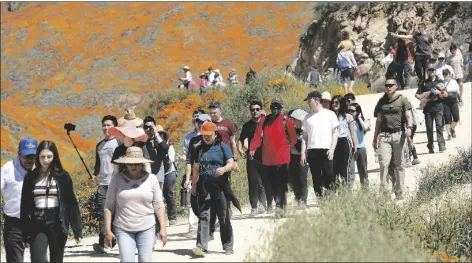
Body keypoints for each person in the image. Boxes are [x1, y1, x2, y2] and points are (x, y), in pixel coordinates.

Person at [21, 140, 82, 263]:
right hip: (37, 222)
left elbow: (71, 203)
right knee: (37, 259)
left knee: (56, 259)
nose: (46, 160)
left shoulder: (63, 176)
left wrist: (77, 229)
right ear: (37, 157)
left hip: (57, 222)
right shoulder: (30, 177)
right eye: (42, 156)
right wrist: (25, 231)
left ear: (55, 156)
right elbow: (25, 205)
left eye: (49, 156)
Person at [104, 147, 167, 262]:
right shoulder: (117, 179)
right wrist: (107, 230)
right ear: (125, 164)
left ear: (142, 164)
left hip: (147, 226)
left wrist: (163, 228)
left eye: (137, 164)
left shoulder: (152, 179)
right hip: (123, 227)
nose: (134, 166)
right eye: (131, 164)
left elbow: (158, 205)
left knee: (145, 260)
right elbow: (109, 205)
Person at [191, 122, 235, 257]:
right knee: (204, 215)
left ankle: (227, 245)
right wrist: (193, 185)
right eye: (204, 135)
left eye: (209, 135)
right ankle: (201, 247)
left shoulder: (222, 147)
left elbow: (231, 163)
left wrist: (224, 169)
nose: (206, 137)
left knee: (223, 215)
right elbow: (196, 168)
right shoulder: (198, 148)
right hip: (204, 185)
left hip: (220, 186)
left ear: (215, 134)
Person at [250, 98, 297, 217]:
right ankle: (279, 205)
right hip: (268, 159)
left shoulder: (287, 121)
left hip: (282, 158)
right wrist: (252, 148)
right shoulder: (264, 120)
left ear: (281, 108)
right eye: (273, 106)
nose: (275, 108)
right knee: (271, 184)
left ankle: (281, 208)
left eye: (277, 106)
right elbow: (257, 136)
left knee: (281, 184)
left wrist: (285, 149)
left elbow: (293, 139)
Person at [373, 78, 413, 200]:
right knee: (384, 163)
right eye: (387, 85)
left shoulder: (402, 99)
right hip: (385, 135)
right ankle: (384, 192)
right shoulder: (381, 101)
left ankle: (399, 192)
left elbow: (408, 115)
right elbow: (379, 120)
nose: (388, 87)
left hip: (398, 134)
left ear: (396, 86)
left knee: (399, 164)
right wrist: (375, 137)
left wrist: (409, 128)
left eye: (391, 85)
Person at [1, 137, 38, 263]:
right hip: (14, 224)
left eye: (33, 156)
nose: (30, 160)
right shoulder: (7, 169)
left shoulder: (42, 169)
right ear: (19, 154)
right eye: (26, 156)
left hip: (37, 223)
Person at [92, 115, 121, 253]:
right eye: (104, 125)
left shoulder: (120, 143)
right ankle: (103, 243)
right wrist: (94, 174)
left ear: (115, 126)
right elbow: (98, 164)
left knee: (118, 213)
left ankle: (117, 240)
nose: (106, 127)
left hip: (117, 183)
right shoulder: (99, 145)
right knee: (103, 212)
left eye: (109, 125)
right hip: (103, 184)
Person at [302, 91, 339, 197]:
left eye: (310, 101)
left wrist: (332, 149)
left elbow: (335, 133)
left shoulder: (330, 114)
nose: (308, 103)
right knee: (316, 177)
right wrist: (303, 153)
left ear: (317, 101)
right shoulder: (307, 117)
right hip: (312, 150)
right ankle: (320, 200)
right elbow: (305, 136)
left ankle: (331, 199)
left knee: (329, 176)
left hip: (326, 150)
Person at [181, 112, 211, 237]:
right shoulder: (192, 140)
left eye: (202, 122)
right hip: (195, 174)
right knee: (193, 200)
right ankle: (193, 227)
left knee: (209, 200)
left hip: (210, 175)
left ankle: (211, 225)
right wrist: (188, 179)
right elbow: (189, 160)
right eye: (198, 122)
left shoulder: (213, 137)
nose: (199, 125)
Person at [142, 117, 175, 228]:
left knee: (157, 202)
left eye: (150, 127)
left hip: (158, 177)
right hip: (144, 177)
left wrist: (156, 133)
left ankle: (157, 229)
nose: (148, 129)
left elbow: (166, 148)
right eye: (145, 127)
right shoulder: (142, 143)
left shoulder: (159, 141)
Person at [238, 100, 268, 216]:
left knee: (264, 182)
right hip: (252, 157)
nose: (255, 111)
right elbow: (241, 139)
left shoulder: (266, 123)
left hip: (265, 156)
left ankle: (264, 204)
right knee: (252, 182)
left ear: (261, 110)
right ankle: (254, 207)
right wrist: (240, 150)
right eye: (252, 109)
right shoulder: (247, 125)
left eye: (257, 109)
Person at [415, 64, 447, 153]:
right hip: (428, 108)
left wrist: (439, 92)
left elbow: (446, 94)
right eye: (429, 70)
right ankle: (430, 146)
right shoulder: (424, 82)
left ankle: (441, 145)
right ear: (427, 72)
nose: (431, 72)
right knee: (429, 128)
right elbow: (417, 94)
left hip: (438, 107)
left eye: (433, 70)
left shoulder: (440, 81)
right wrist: (422, 98)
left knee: (439, 126)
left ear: (435, 71)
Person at [330, 96, 357, 188]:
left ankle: (346, 190)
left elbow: (353, 133)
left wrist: (355, 147)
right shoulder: (329, 116)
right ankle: (335, 189)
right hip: (333, 142)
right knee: (333, 168)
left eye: (336, 102)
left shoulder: (348, 116)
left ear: (341, 103)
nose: (334, 104)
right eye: (333, 102)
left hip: (344, 142)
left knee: (344, 167)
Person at [288, 109, 309, 207]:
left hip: (303, 156)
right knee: (293, 179)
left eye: (294, 119)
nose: (293, 121)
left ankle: (303, 200)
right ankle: (297, 197)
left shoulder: (306, 131)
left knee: (303, 179)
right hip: (292, 157)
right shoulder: (289, 131)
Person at [348, 103, 370, 186]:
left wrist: (359, 118)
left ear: (358, 112)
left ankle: (365, 190)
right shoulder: (347, 121)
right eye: (348, 110)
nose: (350, 113)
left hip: (360, 148)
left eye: (352, 111)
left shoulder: (363, 121)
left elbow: (365, 128)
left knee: (363, 171)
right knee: (350, 172)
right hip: (350, 148)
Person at [442, 69, 461, 140]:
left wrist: (460, 100)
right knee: (447, 119)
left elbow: (457, 92)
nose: (445, 75)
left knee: (456, 118)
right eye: (444, 74)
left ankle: (451, 128)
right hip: (445, 102)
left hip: (454, 101)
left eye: (446, 74)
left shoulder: (454, 82)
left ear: (449, 74)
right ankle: (449, 134)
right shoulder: (442, 83)